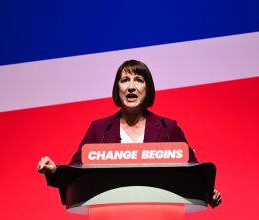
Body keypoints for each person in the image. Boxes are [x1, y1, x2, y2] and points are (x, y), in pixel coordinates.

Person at [37, 60, 221, 207]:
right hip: (110, 211)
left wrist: (207, 192)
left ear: (147, 88)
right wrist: (54, 172)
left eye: (138, 80)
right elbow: (75, 174)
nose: (131, 87)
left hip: (159, 212)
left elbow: (193, 171)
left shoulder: (167, 127)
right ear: (118, 88)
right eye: (125, 80)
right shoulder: (99, 129)